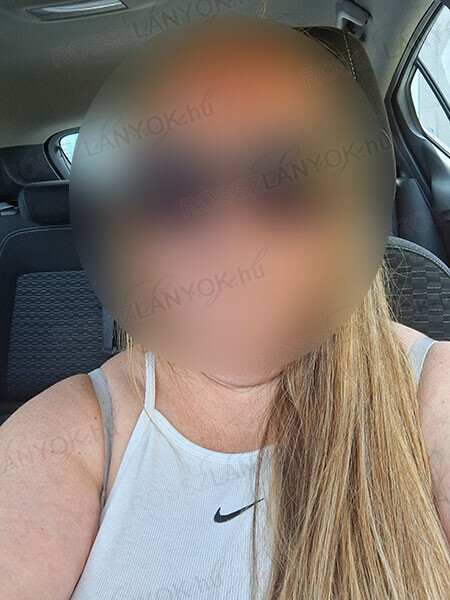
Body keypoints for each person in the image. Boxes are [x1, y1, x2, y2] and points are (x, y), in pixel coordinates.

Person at [1, 15, 449, 600]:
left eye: (286, 178)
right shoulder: (68, 437)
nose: (230, 238)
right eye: (172, 189)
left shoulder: (434, 397)